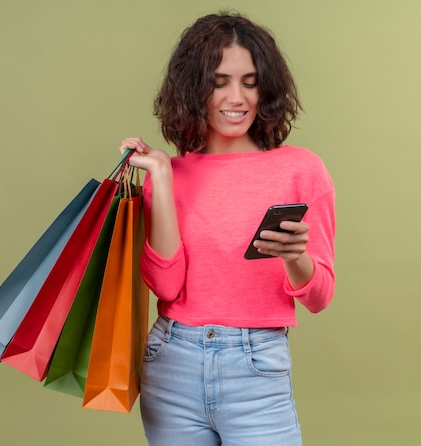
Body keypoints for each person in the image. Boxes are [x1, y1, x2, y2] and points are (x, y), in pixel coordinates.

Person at [119, 11, 335, 446]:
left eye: (249, 82)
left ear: (265, 88)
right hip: (171, 362)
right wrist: (160, 179)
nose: (236, 97)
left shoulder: (301, 170)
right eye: (219, 82)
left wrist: (296, 258)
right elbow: (165, 285)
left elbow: (320, 296)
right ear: (194, 88)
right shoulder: (171, 174)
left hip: (256, 367)